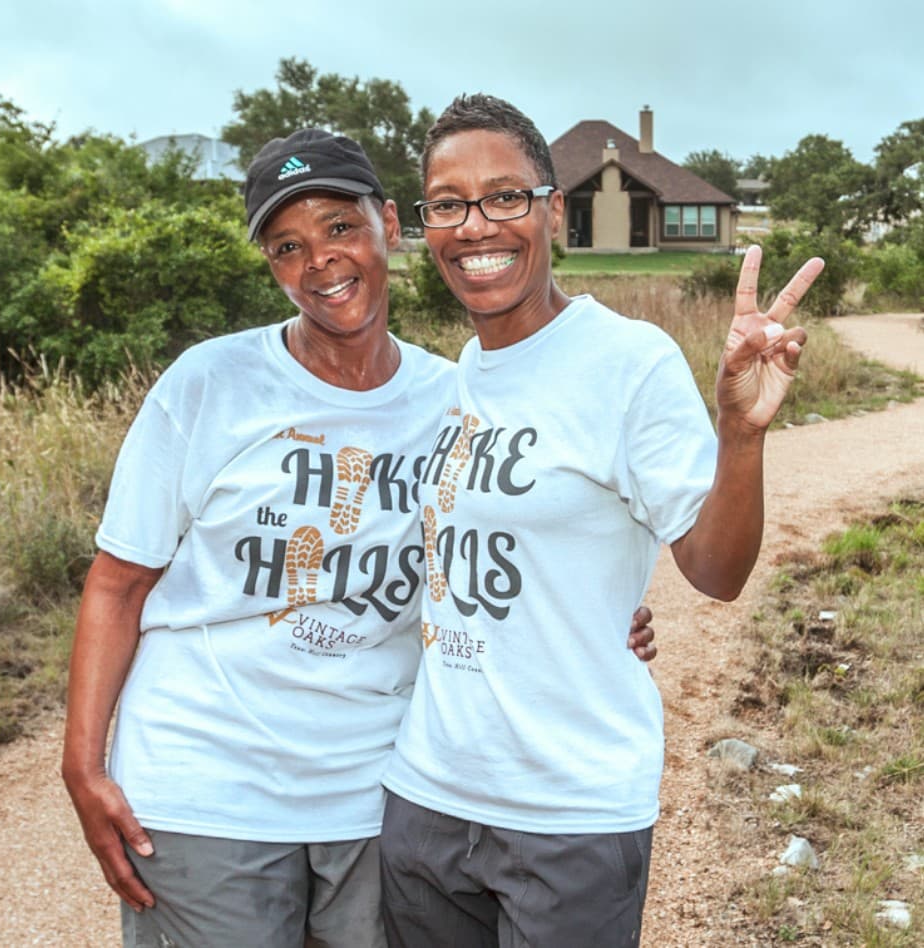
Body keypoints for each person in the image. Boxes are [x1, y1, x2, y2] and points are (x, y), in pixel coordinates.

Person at [61, 127, 658, 948]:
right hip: (205, 785)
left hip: (378, 794)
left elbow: (512, 548)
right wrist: (83, 766)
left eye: (340, 228)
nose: (321, 263)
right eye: (287, 246)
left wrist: (600, 613)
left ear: (389, 224)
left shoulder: (457, 397)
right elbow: (117, 582)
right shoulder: (209, 384)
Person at [379, 94, 825, 948]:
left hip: (569, 812)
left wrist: (739, 433)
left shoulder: (627, 362)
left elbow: (716, 570)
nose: (476, 226)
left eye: (505, 196)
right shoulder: (445, 384)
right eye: (449, 203)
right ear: (424, 225)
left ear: (553, 211)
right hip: (428, 798)